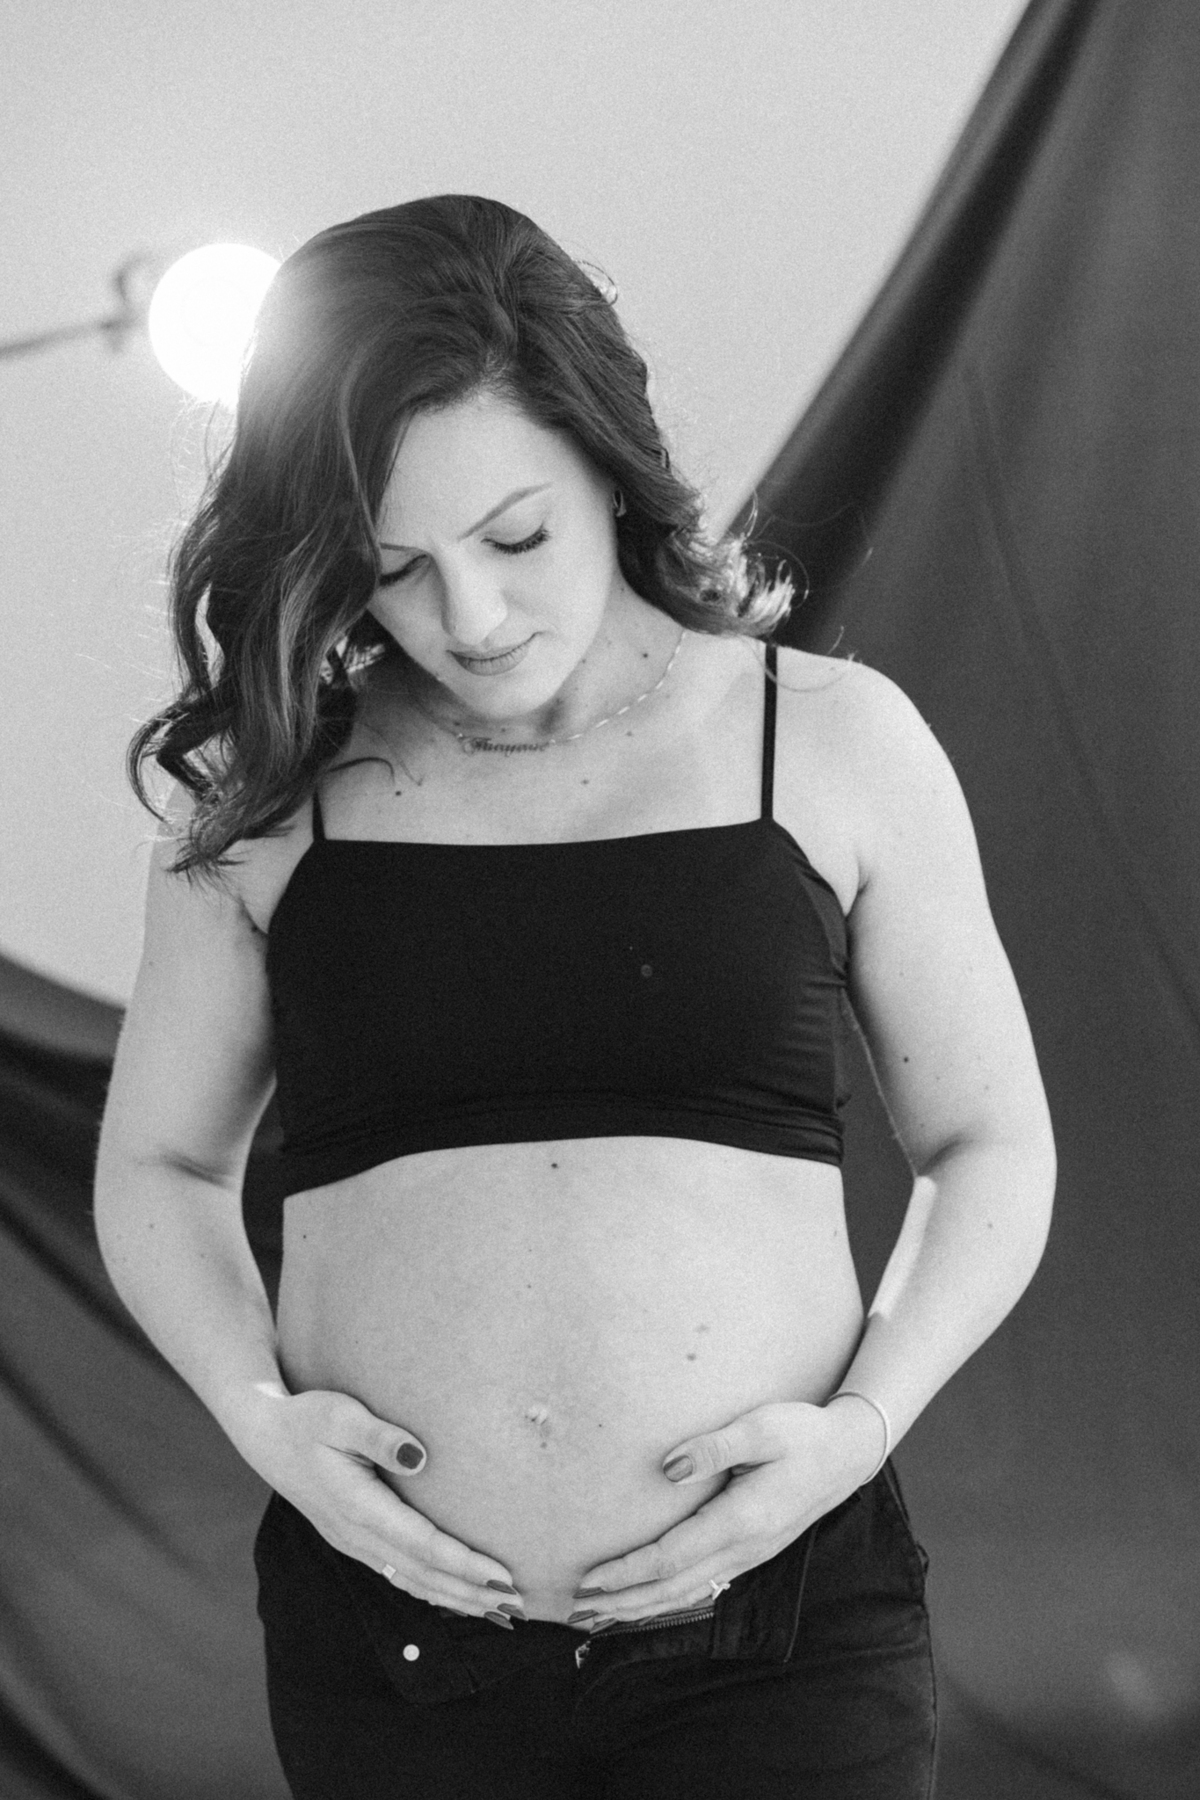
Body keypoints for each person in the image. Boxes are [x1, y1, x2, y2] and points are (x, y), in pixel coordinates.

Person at [94, 194, 1056, 1799]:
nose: (469, 620)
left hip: (777, 1636)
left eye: (516, 538)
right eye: (393, 570)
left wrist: (861, 1429)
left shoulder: (828, 740)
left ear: (610, 463)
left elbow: (993, 1144)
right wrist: (257, 1415)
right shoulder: (275, 801)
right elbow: (157, 1165)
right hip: (393, 1651)